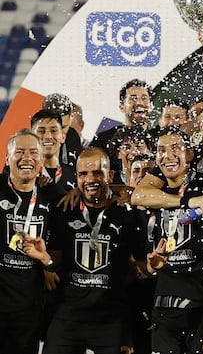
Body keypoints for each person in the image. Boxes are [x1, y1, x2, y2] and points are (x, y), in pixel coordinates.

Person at [25, 147, 151, 354]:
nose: (90, 179)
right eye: (83, 174)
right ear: (76, 178)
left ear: (110, 175)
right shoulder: (64, 210)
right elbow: (54, 263)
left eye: (97, 173)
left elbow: (143, 265)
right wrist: (45, 259)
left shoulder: (128, 213)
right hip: (68, 315)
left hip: (111, 318)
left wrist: (154, 265)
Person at [132, 127, 203, 354]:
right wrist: (189, 201)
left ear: (190, 154)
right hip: (165, 307)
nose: (168, 155)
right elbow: (138, 196)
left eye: (176, 148)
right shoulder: (156, 194)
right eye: (161, 150)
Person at [0, 129, 60, 354]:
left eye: (34, 152)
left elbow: (58, 258)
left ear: (42, 159)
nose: (27, 158)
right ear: (7, 159)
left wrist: (47, 263)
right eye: (19, 152)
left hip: (28, 311)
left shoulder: (54, 198)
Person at [90, 79, 154, 170]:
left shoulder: (159, 139)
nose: (139, 103)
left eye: (144, 98)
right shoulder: (104, 139)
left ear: (151, 106)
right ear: (122, 107)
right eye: (133, 98)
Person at [31, 109, 77, 197]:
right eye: (41, 131)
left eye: (53, 131)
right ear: (32, 137)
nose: (48, 136)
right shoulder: (21, 175)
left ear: (63, 137)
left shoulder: (76, 176)